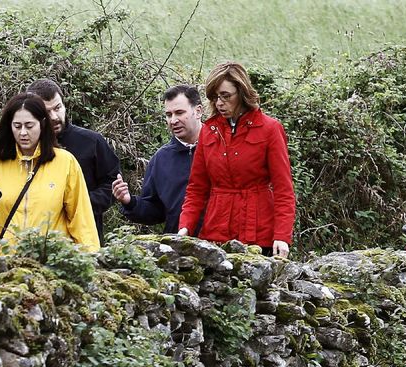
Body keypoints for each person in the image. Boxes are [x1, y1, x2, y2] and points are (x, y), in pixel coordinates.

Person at [177, 61, 295, 258]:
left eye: (226, 96)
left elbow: (283, 189)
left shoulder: (270, 129)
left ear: (241, 93)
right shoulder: (208, 131)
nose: (219, 103)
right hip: (215, 232)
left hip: (259, 233)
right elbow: (197, 188)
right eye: (215, 97)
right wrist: (185, 226)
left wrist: (282, 236)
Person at [0, 93, 99, 254]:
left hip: (51, 266)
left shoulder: (65, 162)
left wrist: (91, 261)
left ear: (42, 124)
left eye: (29, 125)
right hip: (4, 267)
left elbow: (81, 218)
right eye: (17, 126)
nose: (23, 133)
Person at [112, 84, 203, 234]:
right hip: (180, 247)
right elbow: (155, 212)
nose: (173, 121)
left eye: (179, 113)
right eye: (169, 115)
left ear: (198, 111)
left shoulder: (221, 148)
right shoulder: (161, 159)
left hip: (225, 243)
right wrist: (129, 201)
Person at [27, 78, 120, 222]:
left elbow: (112, 184)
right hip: (36, 235)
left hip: (85, 234)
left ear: (64, 105)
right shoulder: (26, 147)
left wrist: (81, 204)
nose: (54, 117)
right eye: (46, 112)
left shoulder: (92, 142)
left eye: (57, 108)